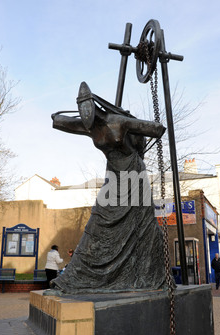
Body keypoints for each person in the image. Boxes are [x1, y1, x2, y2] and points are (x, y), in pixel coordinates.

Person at [44, 82, 167, 295]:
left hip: (133, 174)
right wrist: (55, 116)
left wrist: (133, 123)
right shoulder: (89, 127)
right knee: (99, 219)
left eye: (87, 108)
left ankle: (142, 275)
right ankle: (78, 276)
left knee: (143, 226)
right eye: (81, 109)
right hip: (114, 176)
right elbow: (60, 122)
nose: (84, 114)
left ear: (94, 105)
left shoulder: (117, 121)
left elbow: (158, 129)